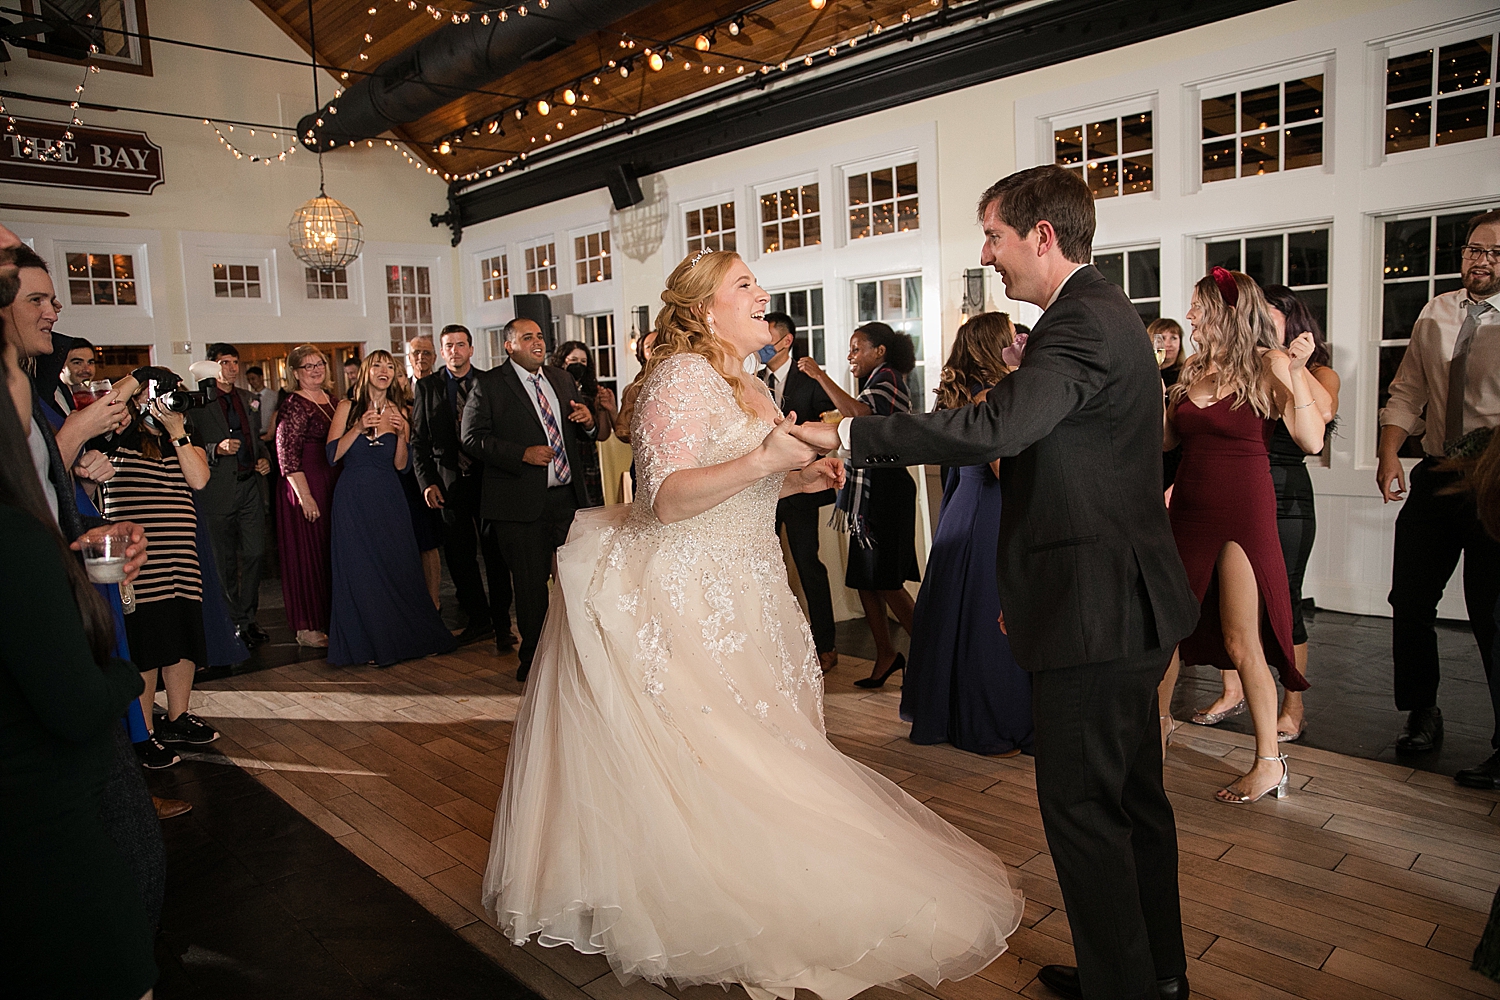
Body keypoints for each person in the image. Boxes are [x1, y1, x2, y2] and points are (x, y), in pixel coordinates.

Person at [483, 248, 1022, 1000]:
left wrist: (800, 473)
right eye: (745, 286)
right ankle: (693, 899)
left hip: (748, 583)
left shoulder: (746, 380)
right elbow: (663, 501)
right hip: (688, 590)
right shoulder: (680, 378)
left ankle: (755, 876)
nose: (762, 293)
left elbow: (752, 478)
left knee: (761, 747)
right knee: (707, 754)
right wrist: (765, 459)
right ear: (706, 311)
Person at [793, 166, 1202, 1000]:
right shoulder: (1102, 312)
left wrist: (853, 432)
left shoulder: (1077, 321)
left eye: (994, 236)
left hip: (1095, 603)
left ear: (1042, 236)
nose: (988, 254)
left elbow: (998, 427)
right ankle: (1153, 973)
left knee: (1087, 811)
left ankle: (1123, 988)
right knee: (1131, 802)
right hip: (1121, 595)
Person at [0, 242, 166, 930]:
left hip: (63, 594)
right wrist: (74, 433)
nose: (53, 310)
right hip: (38, 636)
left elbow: (40, 499)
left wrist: (92, 533)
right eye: (36, 298)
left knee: (125, 849)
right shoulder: (25, 395)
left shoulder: (31, 387)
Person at [1159, 270, 1324, 795]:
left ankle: (1269, 761)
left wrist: (1295, 372)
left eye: (1198, 309)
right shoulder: (1191, 368)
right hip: (1188, 508)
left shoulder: (1267, 366)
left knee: (1240, 637)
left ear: (1225, 313)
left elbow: (1311, 439)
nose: (1188, 318)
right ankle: (1156, 734)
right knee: (1168, 631)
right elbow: (1165, 442)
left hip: (1243, 513)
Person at [1377, 209, 1500, 783]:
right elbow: (1408, 390)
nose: (1482, 260)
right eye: (1475, 249)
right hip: (1436, 470)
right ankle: (1421, 712)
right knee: (1410, 599)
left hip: (1495, 479)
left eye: (1496, 253)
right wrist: (1387, 453)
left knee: (1493, 612)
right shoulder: (1437, 312)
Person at [1191, 286, 1339, 743]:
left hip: (1282, 489)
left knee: (1283, 598)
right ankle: (1232, 689)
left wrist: (1290, 367)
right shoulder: (1215, 369)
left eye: (1272, 317)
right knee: (1224, 604)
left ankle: (1292, 707)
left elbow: (1320, 423)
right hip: (1226, 486)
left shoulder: (1305, 369)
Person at [901, 312, 1032, 756]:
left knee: (956, 614)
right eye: (1012, 332)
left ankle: (950, 714)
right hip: (989, 512)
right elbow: (1005, 470)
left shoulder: (961, 395)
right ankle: (990, 720)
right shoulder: (994, 396)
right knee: (987, 618)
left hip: (960, 509)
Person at [463, 318, 596, 681]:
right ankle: (535, 664)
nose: (537, 342)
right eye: (527, 337)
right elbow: (471, 439)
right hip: (519, 504)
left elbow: (587, 430)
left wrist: (587, 422)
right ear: (509, 345)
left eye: (539, 336)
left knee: (577, 580)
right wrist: (521, 453)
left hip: (567, 500)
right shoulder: (489, 384)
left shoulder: (561, 378)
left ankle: (578, 656)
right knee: (531, 587)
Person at [102, 374, 221, 764]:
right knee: (147, 643)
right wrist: (136, 382)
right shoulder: (118, 429)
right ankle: (143, 732)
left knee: (183, 633)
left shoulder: (183, 434)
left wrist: (177, 430)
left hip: (181, 555)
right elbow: (107, 404)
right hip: (137, 559)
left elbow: (199, 479)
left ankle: (177, 715)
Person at [799, 323, 920, 688]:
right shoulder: (876, 381)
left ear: (879, 350)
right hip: (868, 492)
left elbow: (862, 417)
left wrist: (820, 376)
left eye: (856, 349)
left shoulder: (890, 378)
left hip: (885, 491)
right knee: (865, 581)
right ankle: (886, 654)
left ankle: (932, 652)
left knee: (885, 580)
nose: (851, 357)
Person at [325, 351, 457, 667]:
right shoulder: (346, 408)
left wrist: (400, 434)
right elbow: (332, 455)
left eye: (390, 366)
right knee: (360, 570)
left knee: (399, 566)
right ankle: (367, 644)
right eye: (378, 365)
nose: (384, 371)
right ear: (366, 371)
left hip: (389, 497)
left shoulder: (399, 412)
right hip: (353, 498)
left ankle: (406, 638)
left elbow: (401, 466)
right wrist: (356, 428)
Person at [411, 324, 514, 648]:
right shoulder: (428, 387)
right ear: (442, 352)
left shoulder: (490, 382)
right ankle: (478, 620)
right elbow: (419, 440)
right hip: (448, 483)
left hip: (489, 480)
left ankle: (501, 626)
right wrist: (427, 482)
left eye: (460, 344)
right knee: (459, 557)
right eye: (448, 346)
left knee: (496, 555)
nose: (455, 351)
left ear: (471, 349)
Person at [758, 312, 839, 672]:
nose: (762, 343)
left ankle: (826, 645)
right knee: (764, 564)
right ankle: (770, 645)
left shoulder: (809, 379)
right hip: (763, 486)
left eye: (767, 337)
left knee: (807, 563)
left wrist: (807, 460)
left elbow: (831, 424)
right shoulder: (754, 379)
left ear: (786, 340)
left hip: (803, 485)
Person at [188, 343, 271, 649]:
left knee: (254, 553)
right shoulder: (198, 402)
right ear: (212, 366)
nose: (232, 368)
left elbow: (256, 439)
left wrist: (265, 459)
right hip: (218, 488)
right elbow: (187, 444)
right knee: (223, 562)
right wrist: (216, 449)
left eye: (235, 362)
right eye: (225, 362)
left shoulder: (250, 399)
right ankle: (232, 622)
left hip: (250, 484)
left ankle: (248, 618)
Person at [275, 345, 339, 648]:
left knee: (330, 552)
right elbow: (286, 456)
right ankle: (307, 626)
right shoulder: (294, 404)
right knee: (308, 554)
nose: (315, 370)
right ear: (295, 373)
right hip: (306, 483)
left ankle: (332, 617)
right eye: (307, 366)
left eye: (319, 364)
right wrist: (306, 497)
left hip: (333, 481)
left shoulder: (334, 400)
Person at [551, 339, 618, 507]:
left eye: (583, 361)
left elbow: (602, 435)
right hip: (562, 455)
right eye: (573, 361)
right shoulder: (552, 389)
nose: (578, 365)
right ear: (562, 361)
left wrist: (603, 409)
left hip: (587, 457)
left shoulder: (591, 391)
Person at [1152, 318, 1188, 490]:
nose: (1168, 344)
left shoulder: (1186, 377)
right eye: (1162, 338)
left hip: (1175, 451)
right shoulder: (1144, 376)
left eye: (1173, 337)